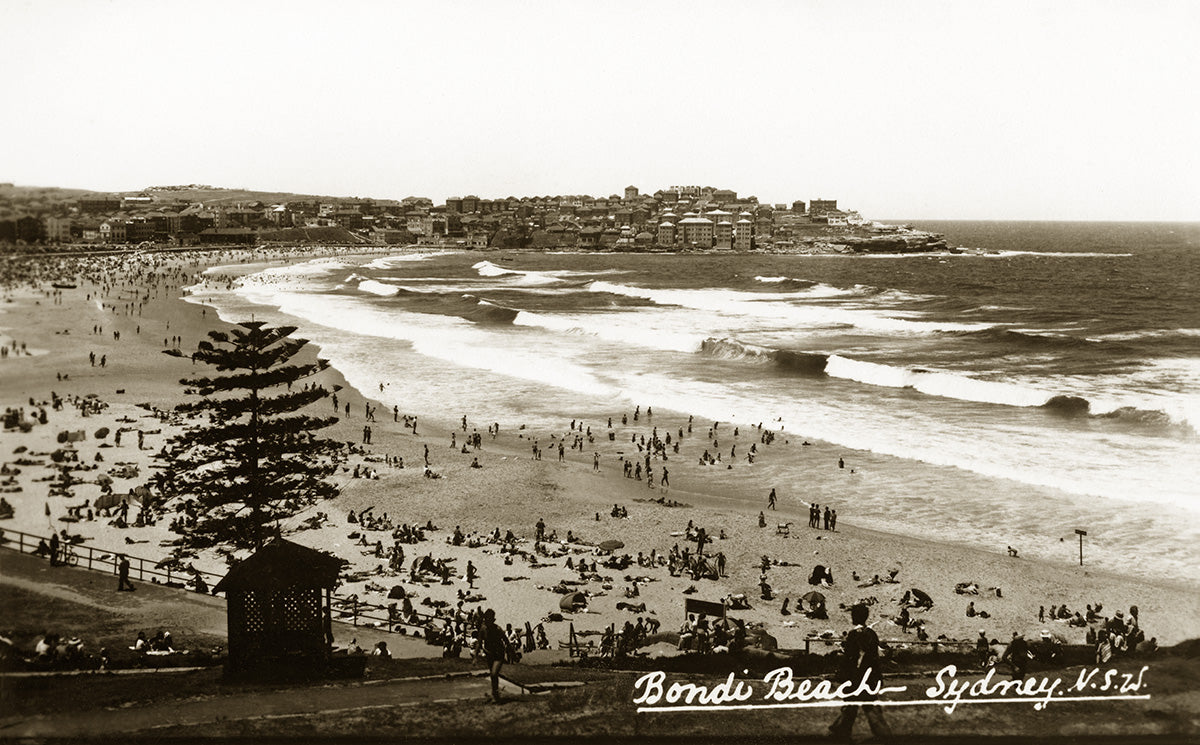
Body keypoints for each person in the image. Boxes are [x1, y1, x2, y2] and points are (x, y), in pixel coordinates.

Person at [828, 603, 892, 743]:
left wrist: (841, 675)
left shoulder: (853, 635)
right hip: (868, 676)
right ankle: (842, 729)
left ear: (854, 617)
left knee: (853, 705)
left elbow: (849, 659)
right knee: (866, 705)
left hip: (855, 677)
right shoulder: (871, 634)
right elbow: (874, 659)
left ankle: (842, 731)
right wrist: (878, 676)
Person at [477, 608, 508, 703]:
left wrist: (513, 653)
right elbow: (479, 642)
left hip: (499, 654)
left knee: (494, 673)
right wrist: (475, 657)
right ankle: (495, 695)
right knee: (493, 675)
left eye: (489, 620)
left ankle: (496, 695)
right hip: (489, 654)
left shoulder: (497, 629)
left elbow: (506, 640)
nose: (487, 622)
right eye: (486, 620)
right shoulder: (483, 628)